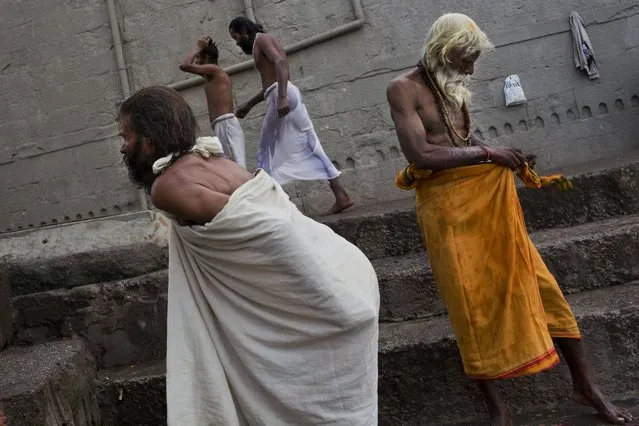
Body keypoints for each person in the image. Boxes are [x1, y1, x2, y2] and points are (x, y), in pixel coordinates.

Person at [386, 13, 633, 426]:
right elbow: (422, 155)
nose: (471, 68)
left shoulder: (454, 88)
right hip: (447, 214)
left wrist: (505, 152)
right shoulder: (402, 89)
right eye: (467, 58)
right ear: (445, 52)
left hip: (489, 204)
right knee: (471, 307)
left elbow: (466, 141)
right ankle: (498, 411)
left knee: (544, 290)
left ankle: (587, 388)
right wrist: (488, 154)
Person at [118, 85, 379, 425]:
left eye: (126, 136)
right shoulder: (213, 160)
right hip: (346, 265)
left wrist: (326, 294)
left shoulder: (167, 187)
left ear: (149, 137)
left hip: (329, 298)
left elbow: (266, 228)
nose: (123, 146)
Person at [228, 16, 354, 215]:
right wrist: (249, 105)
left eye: (236, 36)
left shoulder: (262, 39)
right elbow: (271, 81)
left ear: (244, 30)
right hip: (283, 93)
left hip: (283, 95)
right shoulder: (263, 42)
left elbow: (281, 63)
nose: (237, 42)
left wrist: (282, 97)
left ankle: (270, 208)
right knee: (311, 144)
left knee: (265, 150)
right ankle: (341, 195)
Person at [179, 36, 246, 167]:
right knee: (231, 168)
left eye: (199, 57)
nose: (196, 61)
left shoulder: (215, 70)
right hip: (221, 125)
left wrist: (197, 47)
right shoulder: (210, 75)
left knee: (238, 167)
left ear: (208, 58)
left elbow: (185, 65)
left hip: (226, 124)